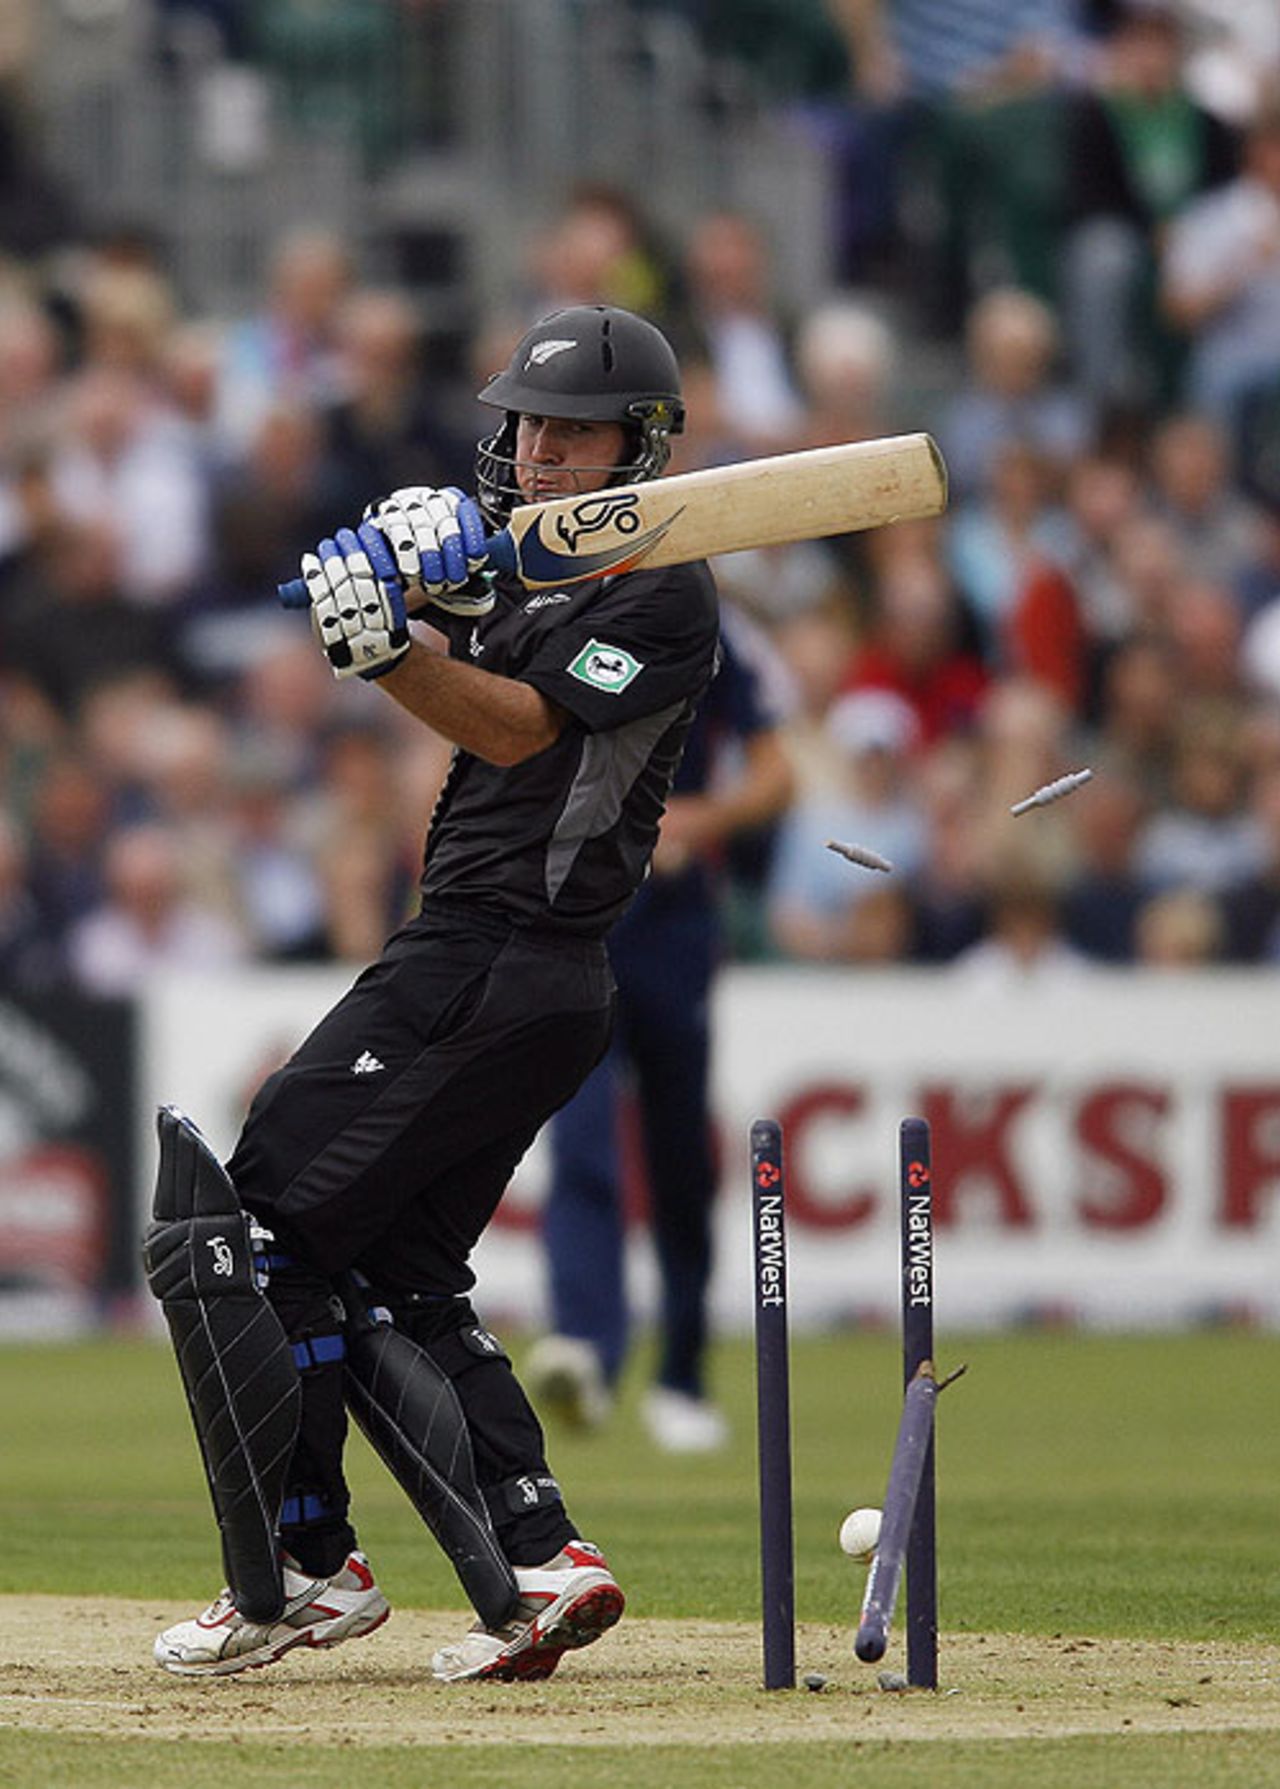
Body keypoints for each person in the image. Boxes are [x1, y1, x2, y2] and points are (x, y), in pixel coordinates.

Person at [145, 304, 720, 1685]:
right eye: (525, 424)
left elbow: (516, 729)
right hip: (506, 968)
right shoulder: (542, 579)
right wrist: (429, 593)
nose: (537, 451)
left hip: (498, 952)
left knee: (255, 1221)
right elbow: (484, 644)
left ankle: (303, 1567)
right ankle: (541, 1558)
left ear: (639, 448)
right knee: (396, 1274)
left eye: (572, 432)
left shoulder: (663, 586)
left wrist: (390, 650)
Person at [526, 613, 793, 1452]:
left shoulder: (721, 632)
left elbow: (777, 772)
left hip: (674, 928)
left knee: (680, 1154)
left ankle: (681, 1371)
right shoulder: (558, 611)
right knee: (579, 1136)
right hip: (577, 912)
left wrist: (694, 821)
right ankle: (589, 1350)